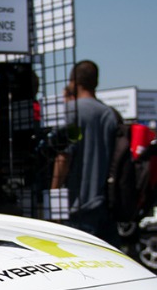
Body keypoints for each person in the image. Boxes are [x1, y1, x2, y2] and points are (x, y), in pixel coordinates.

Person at [47, 59, 120, 244]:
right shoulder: (109, 114)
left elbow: (64, 156)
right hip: (105, 205)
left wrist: (53, 195)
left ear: (73, 82)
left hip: (77, 207)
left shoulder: (74, 112)